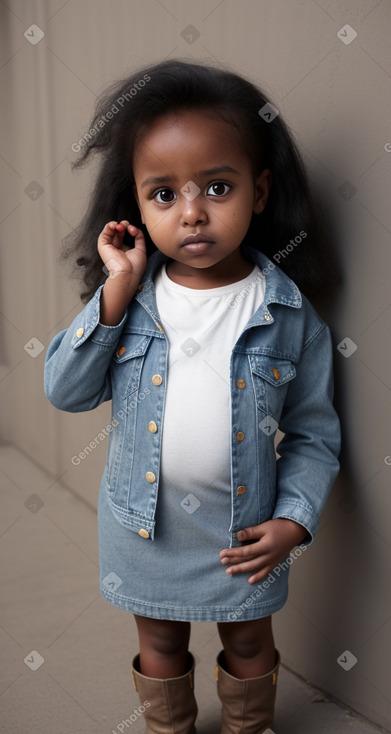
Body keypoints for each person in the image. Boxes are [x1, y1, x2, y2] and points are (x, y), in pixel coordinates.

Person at [44, 59, 341, 734]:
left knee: (245, 641)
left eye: (216, 186)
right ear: (136, 207)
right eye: (163, 195)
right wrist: (114, 291)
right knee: (161, 644)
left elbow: (315, 436)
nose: (193, 212)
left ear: (259, 191)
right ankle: (167, 728)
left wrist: (292, 521)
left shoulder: (287, 315)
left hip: (243, 533)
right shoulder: (130, 303)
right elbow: (66, 391)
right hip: (143, 527)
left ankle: (247, 727)